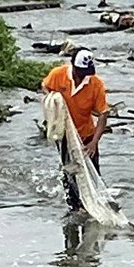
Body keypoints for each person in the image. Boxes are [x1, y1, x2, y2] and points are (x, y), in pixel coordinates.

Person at [42, 47, 109, 212]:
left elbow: (103, 113)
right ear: (72, 65)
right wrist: (54, 101)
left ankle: (93, 202)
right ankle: (74, 206)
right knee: (70, 168)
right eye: (80, 72)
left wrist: (94, 142)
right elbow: (46, 87)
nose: (82, 76)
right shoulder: (59, 75)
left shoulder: (95, 84)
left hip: (86, 134)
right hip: (64, 133)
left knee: (92, 169)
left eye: (86, 73)